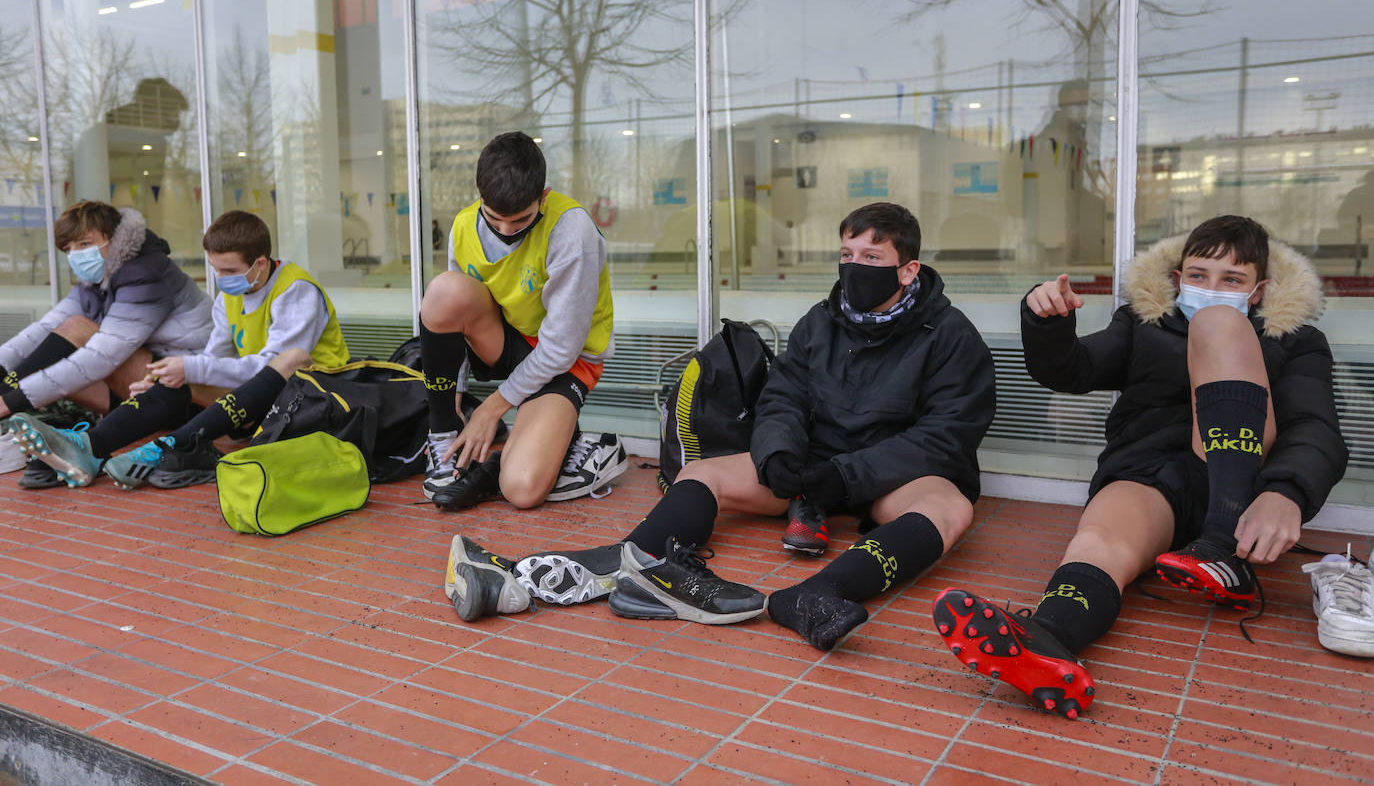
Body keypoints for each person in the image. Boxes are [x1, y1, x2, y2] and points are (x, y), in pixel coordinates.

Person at [444, 202, 998, 640]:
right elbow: (783, 394)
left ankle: (816, 595)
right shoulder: (821, 321)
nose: (854, 268)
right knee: (701, 474)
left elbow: (944, 437)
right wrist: (779, 453)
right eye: (846, 255)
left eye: (871, 260)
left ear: (909, 269)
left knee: (949, 508)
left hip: (884, 480)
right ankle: (628, 566)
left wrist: (847, 477)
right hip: (810, 471)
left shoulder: (951, 336)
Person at [932, 215, 1348, 719]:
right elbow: (1073, 370)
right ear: (1178, 279)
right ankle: (1048, 639)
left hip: (1240, 493)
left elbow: (1315, 428)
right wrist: (1048, 322)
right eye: (1198, 275)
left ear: (1258, 290)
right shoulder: (1143, 324)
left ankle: (1222, 551)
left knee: (1220, 324)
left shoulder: (1296, 340)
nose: (1212, 288)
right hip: (1150, 477)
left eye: (1232, 280)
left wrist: (1286, 491)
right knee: (1097, 540)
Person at [4, 210, 349, 489]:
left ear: (260, 263)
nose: (220, 279)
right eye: (215, 269)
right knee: (173, 378)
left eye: (229, 270)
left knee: (195, 371)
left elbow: (276, 367)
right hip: (261, 398)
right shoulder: (231, 293)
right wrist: (171, 376)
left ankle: (114, 447)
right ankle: (90, 449)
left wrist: (191, 369)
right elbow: (215, 360)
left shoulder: (296, 290)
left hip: (312, 398)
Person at [419, 131, 624, 511]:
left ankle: (592, 447)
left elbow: (560, 348)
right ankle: (443, 439)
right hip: (506, 340)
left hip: (567, 361)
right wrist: (454, 399)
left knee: (522, 489)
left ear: (542, 197)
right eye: (495, 218)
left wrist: (491, 409)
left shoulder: (571, 229)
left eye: (521, 220)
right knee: (445, 291)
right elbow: (454, 324)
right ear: (480, 197)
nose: (507, 231)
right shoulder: (464, 225)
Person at [0, 201, 212, 487]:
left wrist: (9, 401)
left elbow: (100, 358)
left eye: (84, 243)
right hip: (142, 390)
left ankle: (82, 446)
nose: (76, 255)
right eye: (69, 249)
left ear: (115, 238)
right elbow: (43, 330)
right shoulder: (98, 279)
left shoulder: (147, 273)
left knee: (80, 336)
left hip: (188, 397)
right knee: (64, 335)